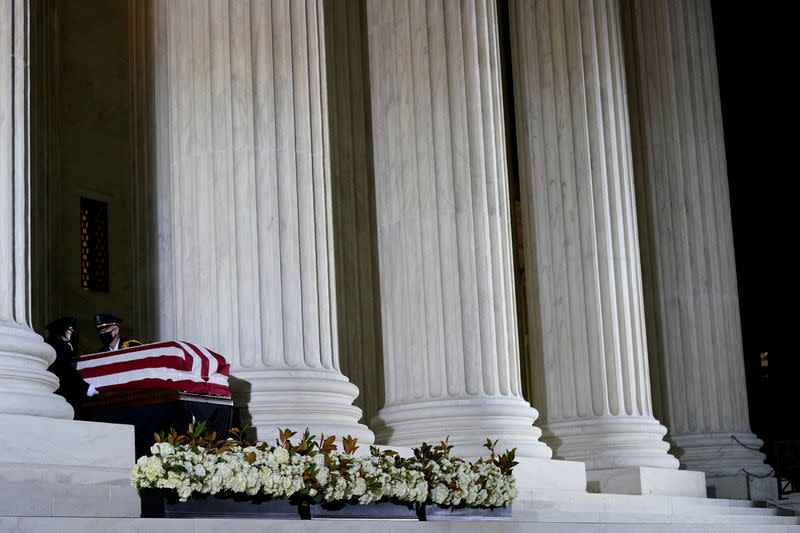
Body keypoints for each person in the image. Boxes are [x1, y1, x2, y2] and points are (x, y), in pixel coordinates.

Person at [44, 316, 99, 404]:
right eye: (69, 329)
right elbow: (66, 370)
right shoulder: (63, 347)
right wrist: (86, 387)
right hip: (63, 390)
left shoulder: (48, 344)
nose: (72, 331)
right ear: (62, 330)